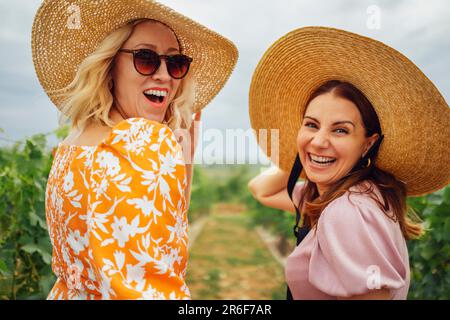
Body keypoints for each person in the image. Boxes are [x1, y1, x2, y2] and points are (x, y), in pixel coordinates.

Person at [32, 0, 238, 299]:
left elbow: (159, 228)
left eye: (175, 62)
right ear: (110, 64)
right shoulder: (145, 142)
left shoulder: (73, 144)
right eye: (146, 58)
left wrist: (185, 158)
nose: (165, 76)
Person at [248, 27, 449, 300]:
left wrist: (309, 150)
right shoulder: (344, 195)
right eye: (312, 124)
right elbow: (261, 189)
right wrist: (302, 151)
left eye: (340, 130)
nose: (320, 140)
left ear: (368, 143)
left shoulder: (347, 211)